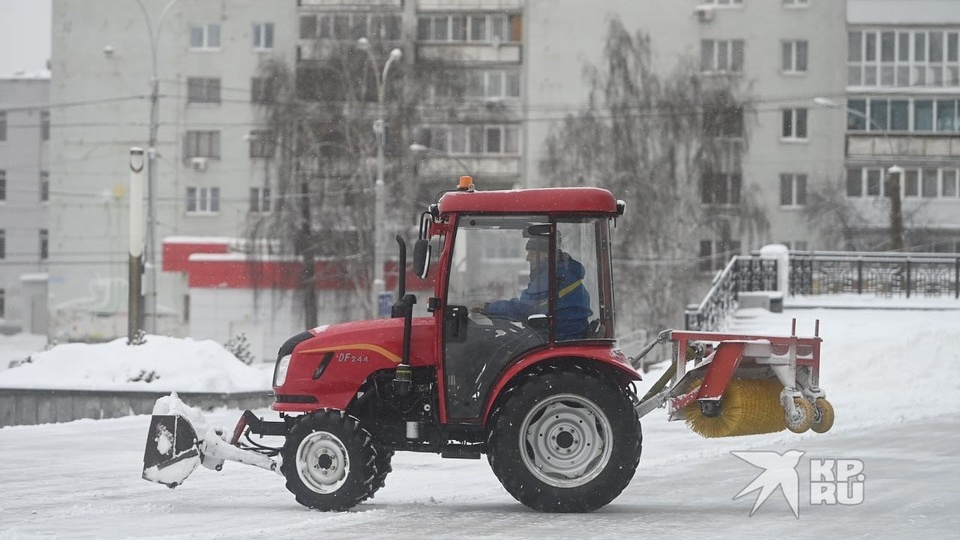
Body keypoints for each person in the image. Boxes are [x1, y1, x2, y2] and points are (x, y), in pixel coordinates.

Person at [472, 235, 592, 341]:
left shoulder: (553, 277)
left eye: (532, 253)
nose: (528, 258)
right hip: (559, 335)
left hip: (556, 339)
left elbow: (526, 308)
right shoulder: (562, 274)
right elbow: (530, 307)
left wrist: (489, 307)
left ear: (546, 254)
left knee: (494, 348)